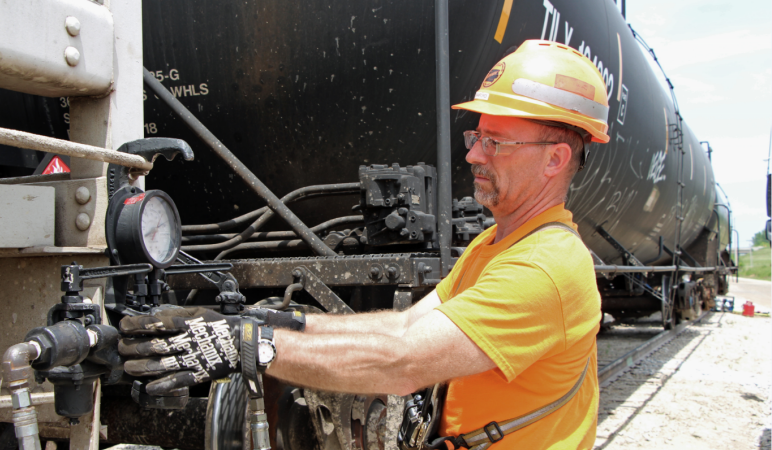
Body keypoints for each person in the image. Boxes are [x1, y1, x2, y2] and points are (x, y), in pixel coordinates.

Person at [118, 39, 609, 449]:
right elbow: (404, 327)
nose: (476, 154)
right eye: (476, 136)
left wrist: (247, 347)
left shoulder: (545, 268)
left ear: (555, 159)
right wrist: (267, 324)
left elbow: (404, 362)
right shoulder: (493, 247)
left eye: (497, 142)